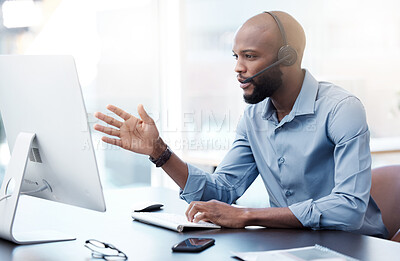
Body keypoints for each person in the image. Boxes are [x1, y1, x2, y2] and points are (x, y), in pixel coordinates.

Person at [94, 11, 388, 238]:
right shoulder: (254, 117)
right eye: (236, 56)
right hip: (290, 245)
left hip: (354, 247)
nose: (238, 67)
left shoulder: (341, 109)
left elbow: (348, 210)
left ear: (288, 58)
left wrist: (247, 215)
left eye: (250, 56)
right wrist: (160, 153)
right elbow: (221, 192)